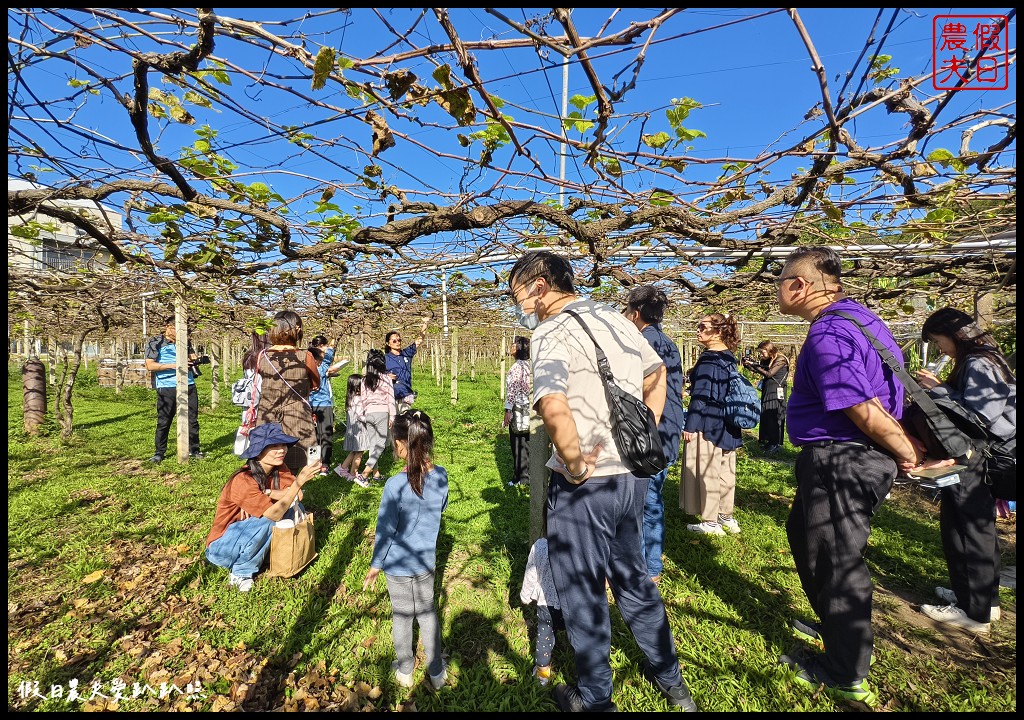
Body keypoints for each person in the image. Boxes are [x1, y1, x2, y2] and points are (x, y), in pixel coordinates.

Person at [507, 250, 697, 713]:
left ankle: (595, 697)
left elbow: (553, 404)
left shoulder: (551, 329)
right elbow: (658, 373)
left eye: (515, 292)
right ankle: (671, 680)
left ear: (538, 285)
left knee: (583, 588)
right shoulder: (614, 318)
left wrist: (573, 464)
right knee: (632, 577)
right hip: (629, 479)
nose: (516, 304)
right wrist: (641, 433)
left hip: (586, 488)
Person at [776, 246, 923, 708]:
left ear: (800, 285)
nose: (776, 289)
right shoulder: (863, 320)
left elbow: (861, 405)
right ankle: (839, 631)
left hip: (842, 459)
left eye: (780, 280)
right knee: (806, 537)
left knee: (837, 562)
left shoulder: (827, 334)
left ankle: (845, 673)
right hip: (847, 457)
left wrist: (904, 450)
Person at [915, 308, 1015, 632]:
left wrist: (937, 389)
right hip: (985, 452)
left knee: (966, 528)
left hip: (980, 452)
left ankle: (974, 613)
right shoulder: (984, 358)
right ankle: (981, 598)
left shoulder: (979, 362)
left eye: (937, 340)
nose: (940, 348)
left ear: (953, 334)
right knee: (975, 527)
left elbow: (980, 415)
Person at [363, 410, 449, 689]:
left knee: (402, 615)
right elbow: (441, 508)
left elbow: (385, 530)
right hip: (425, 562)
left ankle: (405, 670)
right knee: (427, 613)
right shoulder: (442, 477)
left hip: (397, 566)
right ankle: (436, 671)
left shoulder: (395, 485)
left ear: (400, 444)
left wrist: (376, 565)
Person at [205, 422, 320, 592]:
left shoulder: (278, 468)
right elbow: (275, 513)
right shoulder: (243, 480)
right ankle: (240, 573)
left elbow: (298, 496)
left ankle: (268, 554)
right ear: (258, 451)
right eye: (274, 446)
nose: (281, 450)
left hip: (246, 535)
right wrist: (297, 483)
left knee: (291, 508)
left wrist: (267, 492)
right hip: (222, 548)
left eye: (282, 445)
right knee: (271, 518)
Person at [624, 285, 685, 581]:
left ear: (635, 314)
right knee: (653, 499)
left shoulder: (638, 343)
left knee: (640, 502)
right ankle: (651, 565)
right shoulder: (668, 343)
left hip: (652, 432)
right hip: (671, 429)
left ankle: (644, 569)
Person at [680, 312, 744, 537]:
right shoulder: (728, 356)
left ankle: (710, 521)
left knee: (708, 470)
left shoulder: (709, 358)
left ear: (718, 331)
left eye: (702, 326)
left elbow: (702, 396)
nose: (698, 330)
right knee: (727, 471)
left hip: (708, 422)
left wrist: (690, 425)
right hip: (727, 421)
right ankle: (726, 516)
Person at [256, 310, 320, 476]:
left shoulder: (262, 356)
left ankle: (270, 492)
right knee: (297, 458)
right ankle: (291, 492)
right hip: (297, 414)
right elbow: (315, 383)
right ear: (297, 329)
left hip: (267, 414)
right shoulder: (305, 356)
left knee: (267, 457)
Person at [144, 316, 202, 463]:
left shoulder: (184, 342)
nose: (183, 332)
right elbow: (150, 365)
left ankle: (194, 450)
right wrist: (174, 365)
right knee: (164, 420)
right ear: (168, 326)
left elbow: (192, 357)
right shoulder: (155, 342)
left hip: (188, 384)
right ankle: (159, 452)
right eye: (179, 329)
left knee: (192, 420)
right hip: (167, 386)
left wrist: (195, 360)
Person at [519, 537, 563, 686]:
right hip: (572, 604)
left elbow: (531, 574)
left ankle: (542, 675)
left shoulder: (540, 546)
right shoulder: (580, 544)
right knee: (578, 637)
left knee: (544, 639)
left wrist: (525, 596)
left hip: (546, 604)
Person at [308, 335, 349, 470]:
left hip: (310, 405)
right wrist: (334, 337)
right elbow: (329, 355)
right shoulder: (322, 367)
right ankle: (325, 464)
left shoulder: (305, 370)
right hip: (324, 404)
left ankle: (313, 462)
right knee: (326, 434)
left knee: (313, 435)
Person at [742, 340, 790, 453]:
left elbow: (769, 373)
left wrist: (754, 365)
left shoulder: (781, 359)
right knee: (766, 415)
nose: (762, 354)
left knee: (775, 416)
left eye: (762, 351)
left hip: (776, 391)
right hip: (768, 389)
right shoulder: (771, 359)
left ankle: (775, 443)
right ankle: (768, 441)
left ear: (769, 349)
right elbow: (762, 370)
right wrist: (749, 365)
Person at [358, 349, 397, 483]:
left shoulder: (364, 380)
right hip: (382, 413)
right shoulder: (386, 379)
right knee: (380, 445)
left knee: (373, 445)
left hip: (368, 413)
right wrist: (392, 416)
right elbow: (390, 399)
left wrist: (364, 413)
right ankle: (364, 474)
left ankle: (376, 474)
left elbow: (362, 399)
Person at [502, 335, 532, 487]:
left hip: (518, 410)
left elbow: (512, 390)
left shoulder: (516, 368)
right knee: (526, 443)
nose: (511, 347)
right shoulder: (529, 366)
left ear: (518, 349)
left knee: (516, 444)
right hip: (530, 410)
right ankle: (526, 477)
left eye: (513, 345)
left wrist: (508, 410)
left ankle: (518, 477)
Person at [385, 317, 429, 413]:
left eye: (399, 340)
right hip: (390, 395)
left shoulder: (406, 353)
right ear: (388, 343)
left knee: (404, 422)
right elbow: (376, 374)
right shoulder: (385, 358)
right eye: (394, 341)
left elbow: (419, 341)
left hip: (405, 394)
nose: (397, 342)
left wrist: (425, 324)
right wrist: (386, 376)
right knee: (391, 423)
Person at [336, 373, 368, 487]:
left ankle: (342, 468)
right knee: (359, 452)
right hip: (359, 430)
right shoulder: (358, 399)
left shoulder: (351, 397)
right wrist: (370, 419)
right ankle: (353, 474)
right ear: (357, 387)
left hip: (353, 430)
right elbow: (360, 416)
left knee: (355, 450)